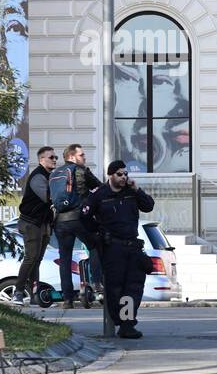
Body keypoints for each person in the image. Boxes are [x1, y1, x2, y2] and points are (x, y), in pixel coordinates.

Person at [84, 161, 156, 339]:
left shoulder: (131, 192)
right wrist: (97, 234)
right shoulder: (99, 195)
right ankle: (118, 319)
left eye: (125, 174)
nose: (124, 177)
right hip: (113, 248)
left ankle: (127, 325)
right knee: (115, 288)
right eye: (119, 174)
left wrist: (137, 189)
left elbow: (148, 206)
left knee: (133, 288)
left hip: (132, 247)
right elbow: (84, 217)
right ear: (111, 175)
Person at [51, 143, 104, 309]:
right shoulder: (80, 170)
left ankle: (67, 300)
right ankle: (97, 283)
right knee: (95, 244)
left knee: (65, 258)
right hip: (77, 217)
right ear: (72, 157)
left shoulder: (54, 173)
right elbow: (100, 188)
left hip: (60, 221)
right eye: (82, 155)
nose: (85, 158)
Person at [14, 145, 57, 304]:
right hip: (31, 223)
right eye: (51, 157)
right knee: (31, 258)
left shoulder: (49, 175)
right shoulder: (38, 176)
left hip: (43, 224)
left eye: (55, 157)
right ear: (41, 160)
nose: (54, 160)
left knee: (37, 260)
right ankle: (18, 292)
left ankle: (34, 296)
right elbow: (48, 196)